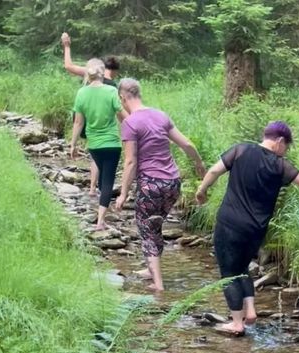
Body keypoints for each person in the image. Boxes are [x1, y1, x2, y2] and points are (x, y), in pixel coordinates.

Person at [195, 121, 299, 336]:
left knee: (228, 272)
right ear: (280, 141)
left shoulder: (241, 150)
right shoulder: (280, 166)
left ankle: (236, 322)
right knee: (242, 266)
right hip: (256, 229)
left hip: (230, 223)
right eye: (286, 147)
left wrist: (201, 191)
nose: (285, 151)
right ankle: (250, 311)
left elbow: (215, 170)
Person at [114, 78, 206, 292]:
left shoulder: (130, 123)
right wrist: (200, 165)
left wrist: (123, 193)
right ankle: (150, 268)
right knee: (155, 225)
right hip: (172, 183)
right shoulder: (160, 115)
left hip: (150, 184)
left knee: (146, 228)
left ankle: (158, 284)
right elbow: (187, 144)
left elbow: (130, 161)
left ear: (123, 97)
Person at [69, 59, 127, 230]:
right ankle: (101, 220)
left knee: (103, 180)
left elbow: (78, 123)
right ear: (103, 73)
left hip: (93, 144)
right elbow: (123, 116)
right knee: (107, 180)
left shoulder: (81, 93)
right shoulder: (111, 91)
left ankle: (102, 207)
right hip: (111, 143)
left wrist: (72, 144)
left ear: (88, 73)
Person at [61, 32, 120, 196]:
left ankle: (93, 188)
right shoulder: (112, 85)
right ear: (112, 71)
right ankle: (95, 188)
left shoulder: (90, 72)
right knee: (98, 155)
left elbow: (68, 66)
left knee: (94, 152)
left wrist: (66, 46)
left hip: (83, 117)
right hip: (102, 123)